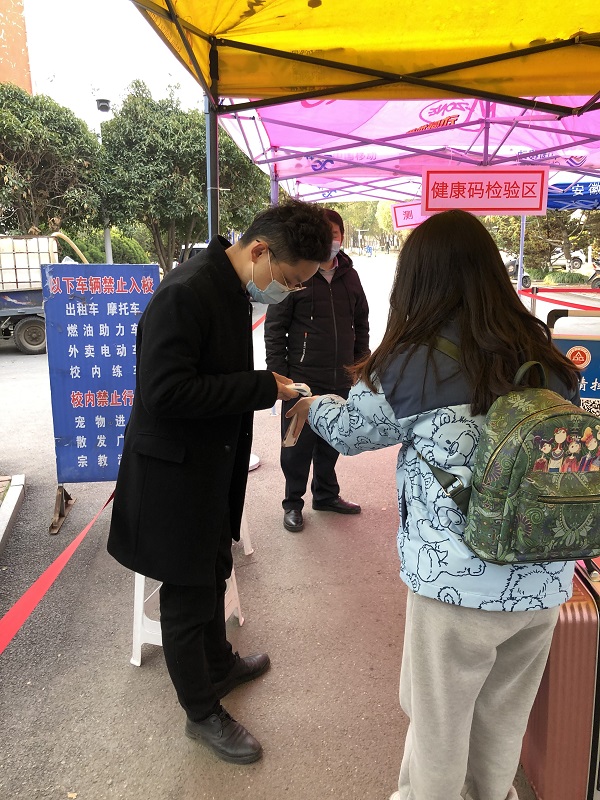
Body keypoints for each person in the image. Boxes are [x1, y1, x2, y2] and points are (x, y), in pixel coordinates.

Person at [286, 210, 580, 800]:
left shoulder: (414, 361)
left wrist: (310, 402)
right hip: (545, 581)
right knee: (502, 720)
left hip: (457, 588)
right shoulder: (545, 357)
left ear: (417, 279)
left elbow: (352, 433)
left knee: (439, 729)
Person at [107, 200, 332, 765]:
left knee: (213, 571)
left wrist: (262, 384)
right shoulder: (186, 293)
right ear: (260, 251)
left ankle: (219, 664)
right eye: (289, 280)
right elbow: (165, 392)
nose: (288, 291)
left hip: (209, 465)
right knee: (186, 597)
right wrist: (261, 388)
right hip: (173, 474)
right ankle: (201, 712)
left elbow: (215, 375)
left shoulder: (230, 289)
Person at [264, 208, 370, 533]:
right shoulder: (295, 274)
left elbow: (361, 324)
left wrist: (360, 365)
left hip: (340, 378)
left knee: (332, 441)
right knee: (295, 445)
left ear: (342, 237)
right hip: (302, 381)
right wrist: (279, 377)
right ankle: (292, 503)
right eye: (324, 233)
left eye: (334, 233)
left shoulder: (350, 276)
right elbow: (274, 329)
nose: (330, 240)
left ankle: (326, 495)